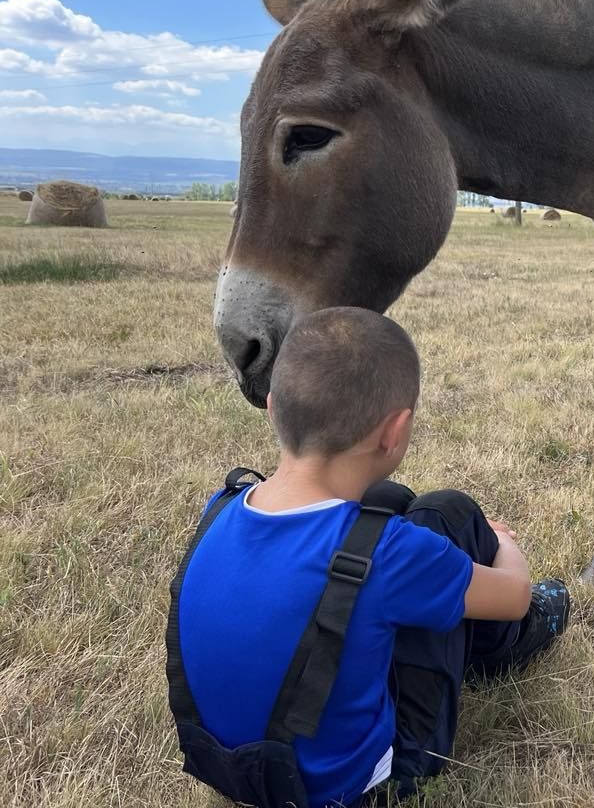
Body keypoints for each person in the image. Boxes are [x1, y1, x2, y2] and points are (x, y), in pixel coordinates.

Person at [168, 306, 570, 807]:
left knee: (392, 502)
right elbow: (512, 595)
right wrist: (504, 543)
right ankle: (532, 630)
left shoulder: (221, 507)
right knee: (451, 513)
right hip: (356, 789)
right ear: (394, 431)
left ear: (272, 406)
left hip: (234, 771)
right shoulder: (392, 553)